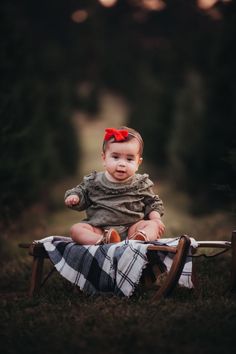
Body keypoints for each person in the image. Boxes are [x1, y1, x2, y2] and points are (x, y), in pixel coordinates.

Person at [64, 126, 165, 245]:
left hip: (132, 229)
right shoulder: (94, 182)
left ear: (138, 163)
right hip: (100, 229)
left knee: (152, 225)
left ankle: (138, 240)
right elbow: (81, 193)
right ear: (104, 158)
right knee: (76, 229)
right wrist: (75, 197)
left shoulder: (140, 184)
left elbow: (152, 203)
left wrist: (156, 219)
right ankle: (102, 241)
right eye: (115, 157)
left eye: (129, 159)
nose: (122, 164)